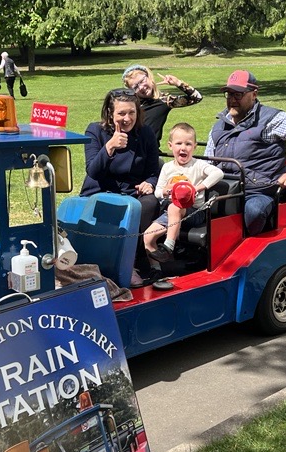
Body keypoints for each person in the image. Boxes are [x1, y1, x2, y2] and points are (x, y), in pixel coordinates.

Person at [205, 70, 286, 236]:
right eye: (229, 94)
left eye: (238, 94)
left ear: (254, 94)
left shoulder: (271, 119)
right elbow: (207, 164)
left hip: (258, 192)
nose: (232, 99)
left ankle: (246, 244)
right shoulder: (219, 126)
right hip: (224, 190)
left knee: (254, 211)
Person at [80, 88, 161, 286]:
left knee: (149, 203)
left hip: (132, 191)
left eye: (132, 112)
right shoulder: (95, 131)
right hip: (101, 189)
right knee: (116, 207)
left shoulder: (145, 133)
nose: (127, 118)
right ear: (110, 113)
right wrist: (110, 147)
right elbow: (93, 171)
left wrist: (149, 183)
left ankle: (132, 263)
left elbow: (153, 171)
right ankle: (118, 264)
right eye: (121, 113)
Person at [143, 122, 224, 261]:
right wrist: (165, 191)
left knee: (175, 207)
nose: (183, 148)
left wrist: (197, 188)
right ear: (170, 146)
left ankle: (169, 246)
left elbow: (218, 173)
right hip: (170, 213)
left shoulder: (198, 165)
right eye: (179, 143)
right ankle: (157, 268)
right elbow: (157, 192)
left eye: (188, 144)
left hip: (194, 212)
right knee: (148, 236)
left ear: (194, 147)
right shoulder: (167, 167)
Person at [121, 64, 203, 143]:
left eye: (142, 81)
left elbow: (196, 98)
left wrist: (178, 83)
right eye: (135, 87)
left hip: (150, 150)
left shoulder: (164, 100)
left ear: (149, 77)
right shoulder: (131, 104)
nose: (141, 87)